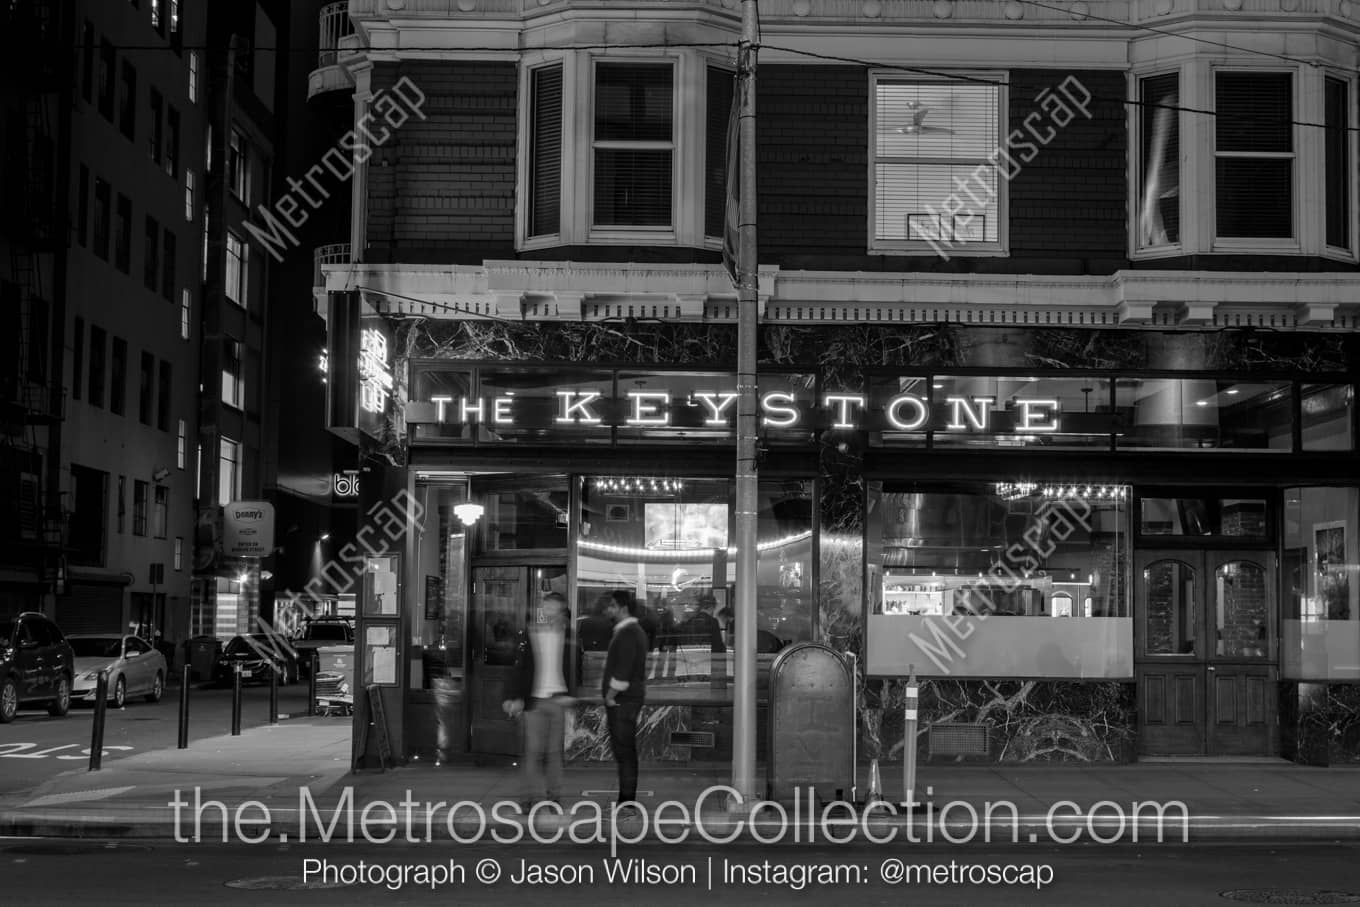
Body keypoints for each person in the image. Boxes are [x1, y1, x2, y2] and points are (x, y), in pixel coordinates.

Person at [502, 592, 576, 809]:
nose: (547, 612)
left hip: (558, 700)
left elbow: (573, 666)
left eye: (552, 607)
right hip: (534, 701)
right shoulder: (531, 633)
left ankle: (554, 797)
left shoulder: (568, 634)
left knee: (554, 754)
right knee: (532, 752)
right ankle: (528, 799)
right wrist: (513, 697)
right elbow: (519, 668)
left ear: (561, 609)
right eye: (545, 607)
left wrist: (571, 693)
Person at [602, 589, 648, 809]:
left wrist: (610, 696)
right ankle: (626, 799)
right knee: (626, 752)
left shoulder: (628, 632)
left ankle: (627, 801)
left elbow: (623, 671)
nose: (608, 609)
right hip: (628, 699)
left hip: (623, 700)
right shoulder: (632, 631)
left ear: (622, 608)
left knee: (625, 753)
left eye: (611, 605)